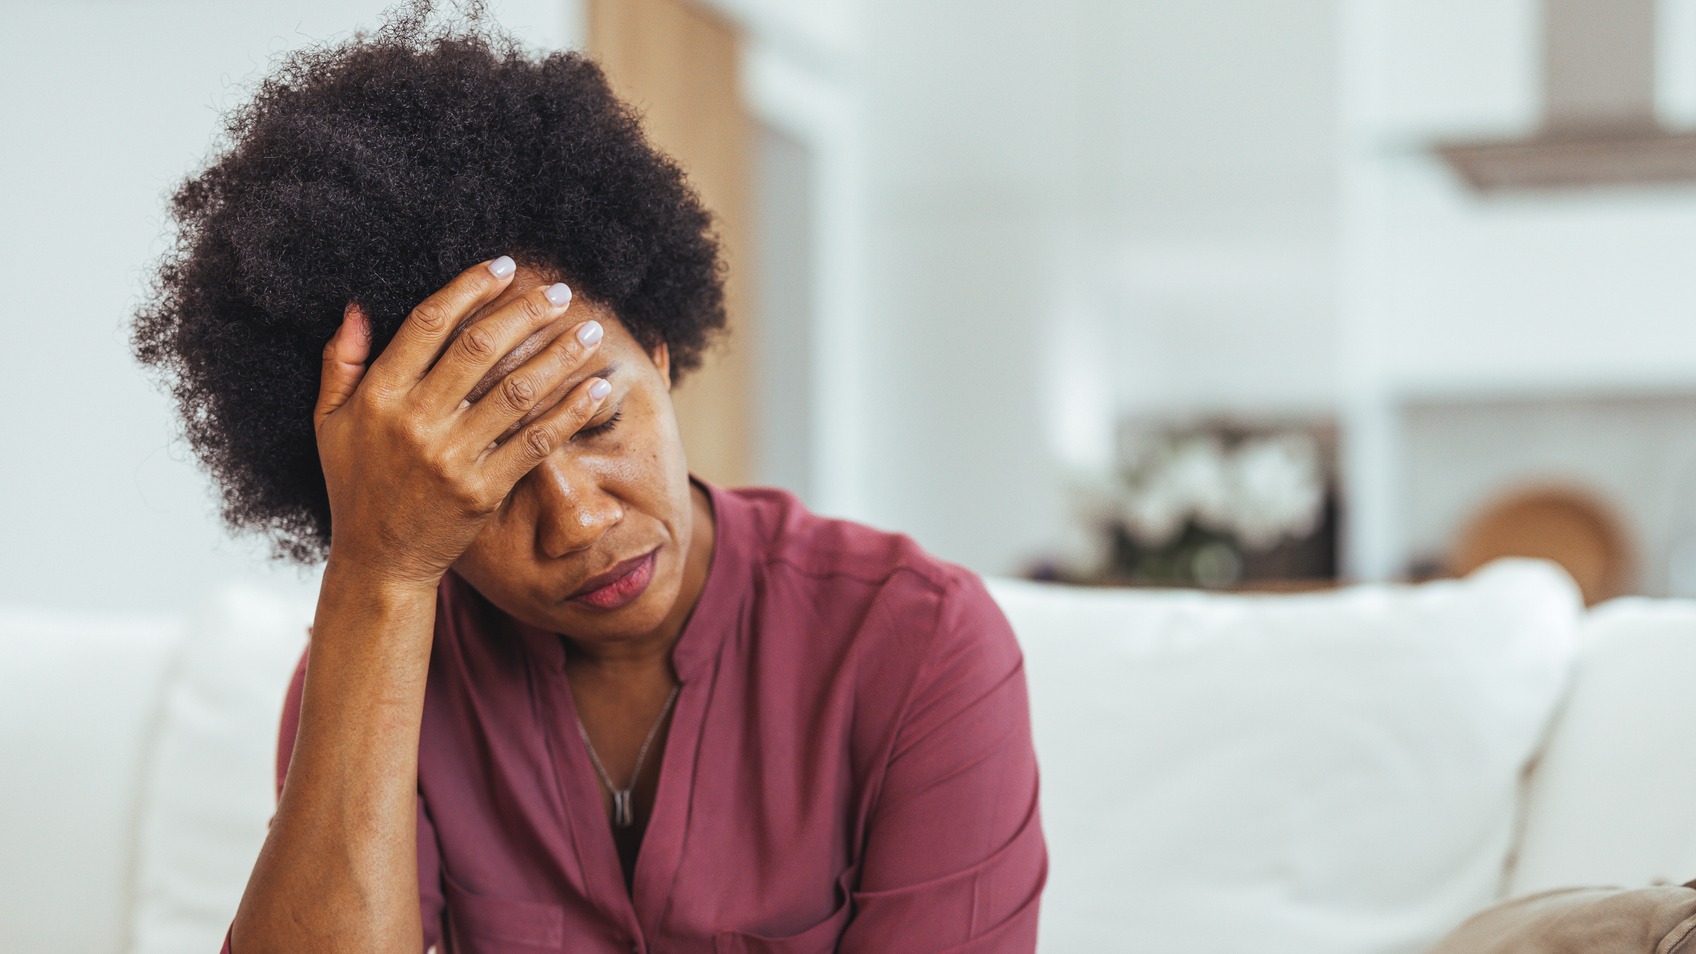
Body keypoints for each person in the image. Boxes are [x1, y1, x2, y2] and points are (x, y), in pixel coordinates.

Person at [130, 3, 1047, 951]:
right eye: (485, 480)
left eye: (599, 417)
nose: (576, 520)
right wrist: (381, 574)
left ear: (658, 350)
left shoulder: (917, 643)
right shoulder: (378, 661)